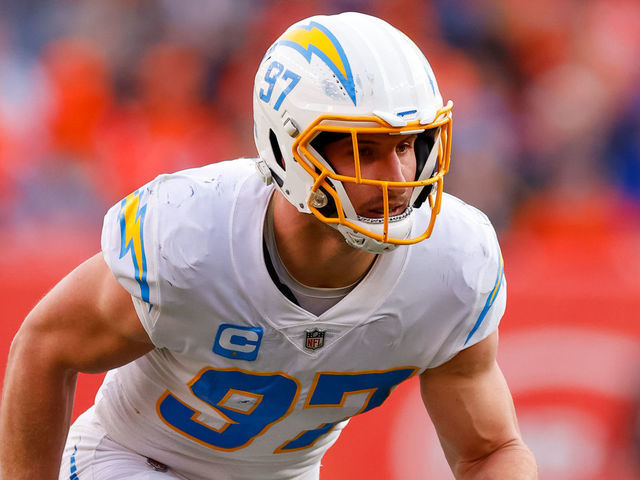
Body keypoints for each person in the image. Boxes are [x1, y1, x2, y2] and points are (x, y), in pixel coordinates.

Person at [0, 12, 537, 480]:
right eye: (364, 150)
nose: (397, 176)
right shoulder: (192, 238)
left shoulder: (453, 262)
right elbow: (45, 348)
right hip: (134, 459)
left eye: (408, 145)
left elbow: (490, 451)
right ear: (290, 149)